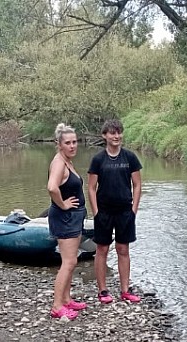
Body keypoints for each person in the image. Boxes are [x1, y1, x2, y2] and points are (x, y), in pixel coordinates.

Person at [87, 118, 143, 304]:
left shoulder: (130, 157)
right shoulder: (98, 159)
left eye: (119, 132)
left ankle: (125, 290)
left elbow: (137, 184)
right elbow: (91, 187)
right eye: (112, 133)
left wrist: (134, 209)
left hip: (125, 211)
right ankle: (103, 291)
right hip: (103, 211)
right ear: (105, 136)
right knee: (102, 249)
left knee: (123, 249)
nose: (116, 136)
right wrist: (95, 211)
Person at [47, 123, 88, 320]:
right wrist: (63, 205)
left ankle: (66, 299)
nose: (72, 146)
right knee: (69, 261)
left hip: (74, 217)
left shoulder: (67, 161)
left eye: (74, 142)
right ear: (59, 144)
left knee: (71, 260)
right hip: (65, 218)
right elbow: (52, 187)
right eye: (68, 143)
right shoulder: (58, 163)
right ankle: (57, 305)